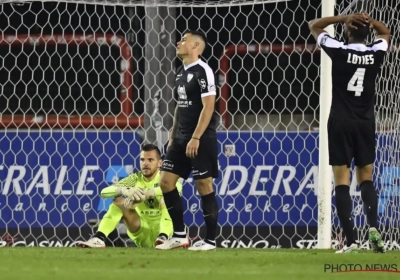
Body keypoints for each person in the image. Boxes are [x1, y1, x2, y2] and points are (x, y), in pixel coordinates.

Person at [309, 13, 390, 253]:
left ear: (347, 32)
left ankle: (351, 241)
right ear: (368, 35)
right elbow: (385, 31)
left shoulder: (339, 49)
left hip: (340, 122)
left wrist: (344, 17)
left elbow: (313, 25)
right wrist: (368, 21)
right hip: (365, 122)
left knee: (341, 181)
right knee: (366, 178)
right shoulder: (376, 52)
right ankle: (373, 228)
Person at [155, 30, 219, 251]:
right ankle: (180, 235)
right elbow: (179, 108)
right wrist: (173, 137)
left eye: (184, 40)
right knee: (165, 182)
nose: (178, 42)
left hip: (200, 139)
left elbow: (209, 106)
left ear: (196, 46)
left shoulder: (205, 71)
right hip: (181, 139)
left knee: (204, 185)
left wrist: (195, 137)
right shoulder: (180, 72)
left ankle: (210, 241)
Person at [77, 144, 183, 248]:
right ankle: (98, 238)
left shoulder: (165, 178)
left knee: (167, 199)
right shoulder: (135, 179)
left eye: (150, 160)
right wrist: (125, 190)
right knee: (119, 202)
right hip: (142, 230)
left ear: (160, 163)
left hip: (168, 233)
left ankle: (163, 236)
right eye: (142, 160)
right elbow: (104, 192)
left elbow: (177, 188)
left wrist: (147, 193)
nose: (145, 163)